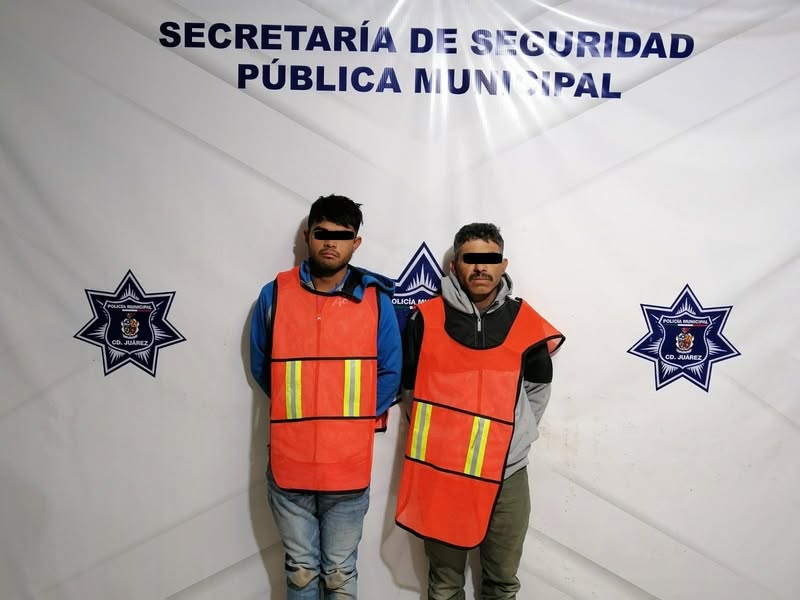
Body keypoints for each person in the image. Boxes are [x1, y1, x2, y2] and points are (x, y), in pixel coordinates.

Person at [395, 223, 564, 600]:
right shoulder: (426, 318)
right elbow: (410, 393)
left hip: (507, 475)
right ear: (455, 265)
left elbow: (538, 390)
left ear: (503, 265)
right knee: (444, 585)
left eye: (490, 259)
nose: (481, 267)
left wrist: (513, 440)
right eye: (471, 259)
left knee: (502, 585)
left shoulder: (525, 321)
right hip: (442, 472)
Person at [250, 194, 402, 599]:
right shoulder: (274, 295)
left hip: (347, 466)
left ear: (356, 243)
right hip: (290, 462)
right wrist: (300, 410)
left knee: (339, 573)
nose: (331, 243)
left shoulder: (376, 301)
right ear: (307, 236)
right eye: (322, 233)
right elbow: (264, 366)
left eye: (342, 235)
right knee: (300, 572)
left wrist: (350, 421)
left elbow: (390, 373)